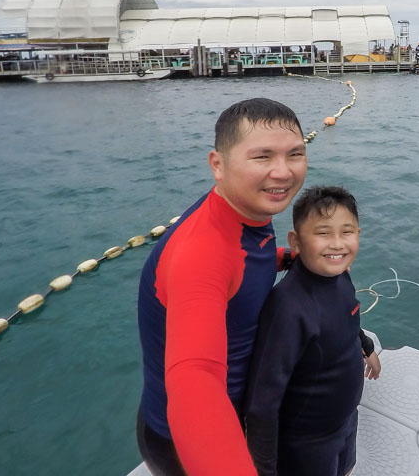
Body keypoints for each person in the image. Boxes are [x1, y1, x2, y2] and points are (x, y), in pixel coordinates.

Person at [135, 98, 308, 476]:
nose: (283, 172)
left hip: (240, 407)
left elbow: (244, 260)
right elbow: (195, 380)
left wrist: (288, 257)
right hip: (183, 443)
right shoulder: (201, 254)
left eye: (295, 154)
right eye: (262, 157)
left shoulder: (248, 208)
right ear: (218, 164)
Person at [245, 186, 380, 476]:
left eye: (347, 232)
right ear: (295, 241)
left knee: (345, 468)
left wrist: (366, 347)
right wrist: (265, 469)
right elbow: (262, 403)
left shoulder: (341, 276)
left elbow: (347, 319)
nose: (337, 244)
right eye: (322, 233)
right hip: (308, 440)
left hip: (344, 419)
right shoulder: (288, 308)